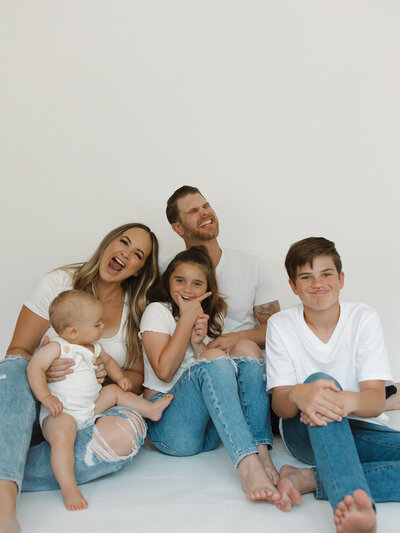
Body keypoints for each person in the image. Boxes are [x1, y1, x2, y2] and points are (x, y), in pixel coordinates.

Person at [0, 222, 159, 532]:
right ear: (108, 242)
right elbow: (17, 351)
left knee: (131, 429)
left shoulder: (135, 309)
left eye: (137, 254)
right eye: (123, 242)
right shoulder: (59, 282)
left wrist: (109, 377)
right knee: (14, 368)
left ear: (139, 269)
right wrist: (44, 368)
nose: (125, 254)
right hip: (37, 407)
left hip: (84, 413)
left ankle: (11, 464)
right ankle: (4, 502)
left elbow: (136, 377)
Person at [265, 237, 400, 533]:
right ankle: (350, 500)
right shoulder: (281, 324)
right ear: (293, 286)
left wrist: (346, 402)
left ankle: (310, 480)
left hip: (356, 426)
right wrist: (301, 393)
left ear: (340, 279)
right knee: (317, 384)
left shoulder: (364, 318)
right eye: (306, 277)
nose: (318, 284)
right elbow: (280, 405)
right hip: (305, 430)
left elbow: (376, 399)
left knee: (324, 391)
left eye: (326, 274)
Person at [140, 246, 280, 503]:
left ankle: (261, 453)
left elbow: (216, 381)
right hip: (170, 431)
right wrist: (186, 319)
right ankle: (248, 467)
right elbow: (164, 371)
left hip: (209, 431)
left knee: (246, 347)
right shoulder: (157, 311)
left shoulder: (208, 318)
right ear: (168, 280)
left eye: (196, 283)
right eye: (179, 280)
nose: (187, 289)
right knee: (215, 357)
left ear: (208, 289)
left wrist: (197, 343)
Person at [27, 290, 173, 511]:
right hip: (61, 413)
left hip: (90, 408)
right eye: (97, 325)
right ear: (73, 331)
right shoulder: (57, 347)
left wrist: (121, 377)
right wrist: (45, 397)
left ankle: (150, 409)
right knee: (62, 437)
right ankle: (69, 488)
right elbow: (34, 367)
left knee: (114, 391)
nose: (102, 327)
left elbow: (111, 362)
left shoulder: (94, 347)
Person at [166, 186, 280, 352]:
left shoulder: (252, 265)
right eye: (193, 211)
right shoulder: (167, 273)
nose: (204, 213)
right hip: (195, 369)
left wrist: (237, 338)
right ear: (179, 228)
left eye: (206, 206)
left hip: (247, 363)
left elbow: (277, 328)